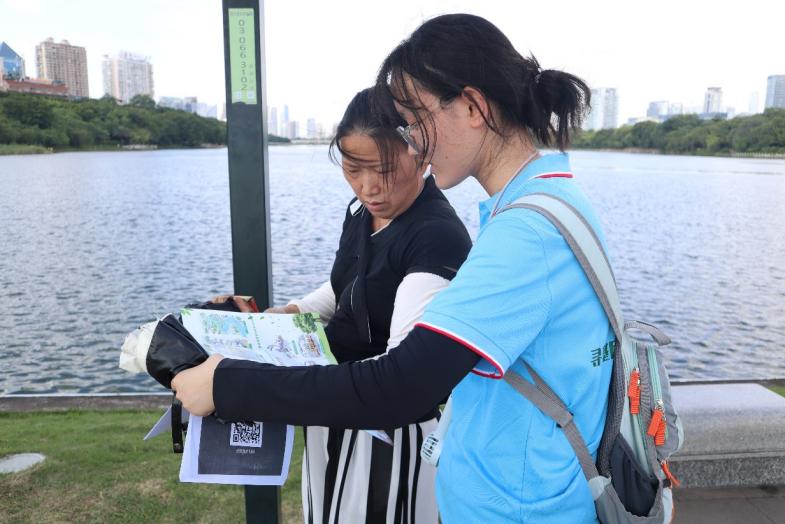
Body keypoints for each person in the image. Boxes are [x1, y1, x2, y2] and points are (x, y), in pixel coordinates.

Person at [173, 14, 613, 523]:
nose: (415, 142)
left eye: (415, 120)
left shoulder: (524, 234)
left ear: (472, 107)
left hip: (519, 510)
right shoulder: (547, 200)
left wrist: (227, 385)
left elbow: (400, 387)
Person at [247, 87, 472, 523]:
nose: (368, 187)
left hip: (389, 432)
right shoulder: (361, 213)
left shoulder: (435, 236)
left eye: (383, 170)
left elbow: (401, 374)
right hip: (335, 409)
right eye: (353, 170)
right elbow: (349, 286)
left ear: (420, 154)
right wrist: (291, 313)